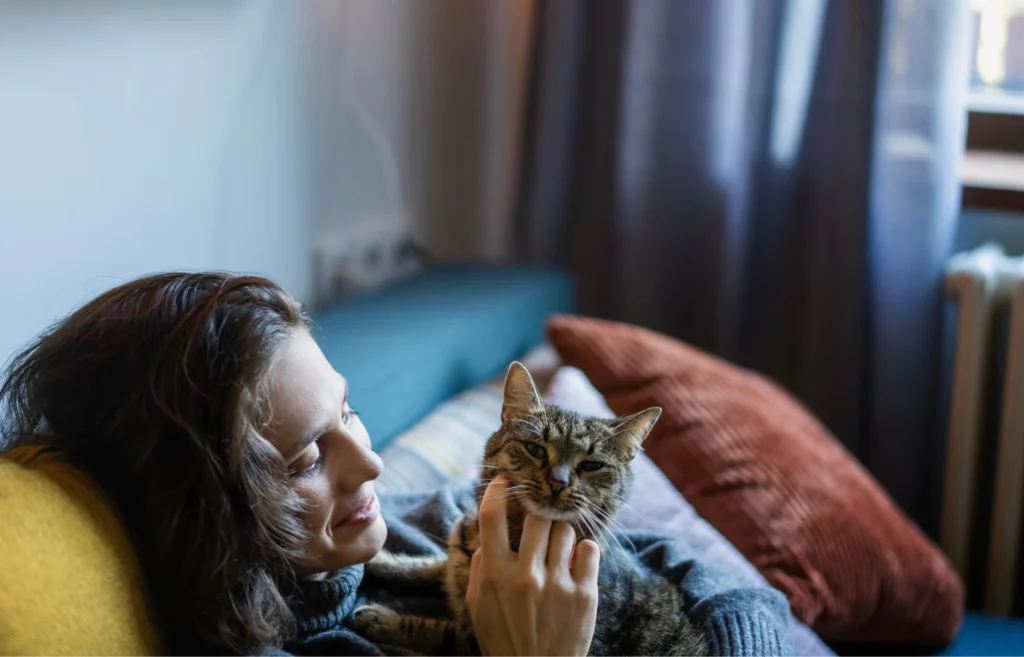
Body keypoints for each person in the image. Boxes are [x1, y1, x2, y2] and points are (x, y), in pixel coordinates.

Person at [0, 273, 792, 656]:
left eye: (347, 410)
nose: (372, 462)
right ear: (210, 514)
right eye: (307, 457)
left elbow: (700, 571)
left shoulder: (417, 518)